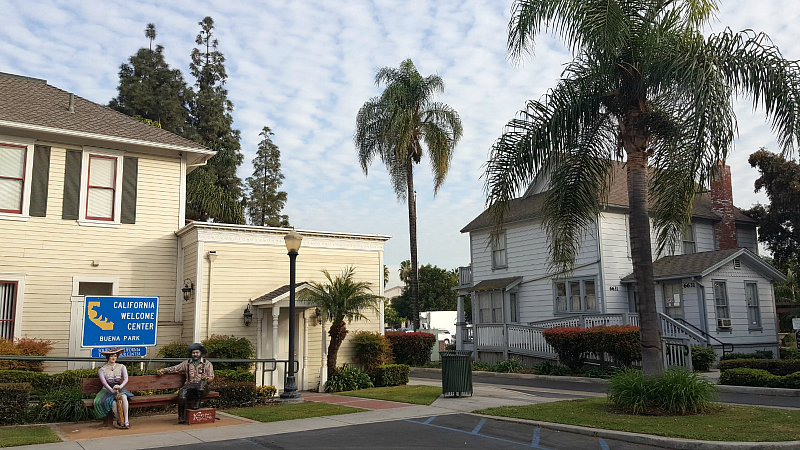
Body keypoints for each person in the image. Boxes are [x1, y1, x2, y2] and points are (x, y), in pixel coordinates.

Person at [157, 343, 215, 423]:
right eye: (193, 353)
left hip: (202, 387)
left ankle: (197, 403)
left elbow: (211, 377)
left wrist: (206, 379)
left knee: (201, 385)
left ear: (201, 353)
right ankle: (181, 416)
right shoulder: (187, 363)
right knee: (181, 393)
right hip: (190, 385)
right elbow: (175, 368)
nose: (195, 354)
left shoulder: (207, 364)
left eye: (197, 352)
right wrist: (164, 370)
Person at [93, 348, 133, 429]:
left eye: (115, 356)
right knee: (114, 404)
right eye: (111, 356)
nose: (113, 358)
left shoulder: (121, 367)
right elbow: (104, 382)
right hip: (107, 390)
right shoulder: (102, 369)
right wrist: (111, 390)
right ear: (108, 357)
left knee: (124, 397)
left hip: (119, 389)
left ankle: (126, 421)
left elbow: (126, 379)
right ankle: (119, 420)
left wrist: (120, 386)